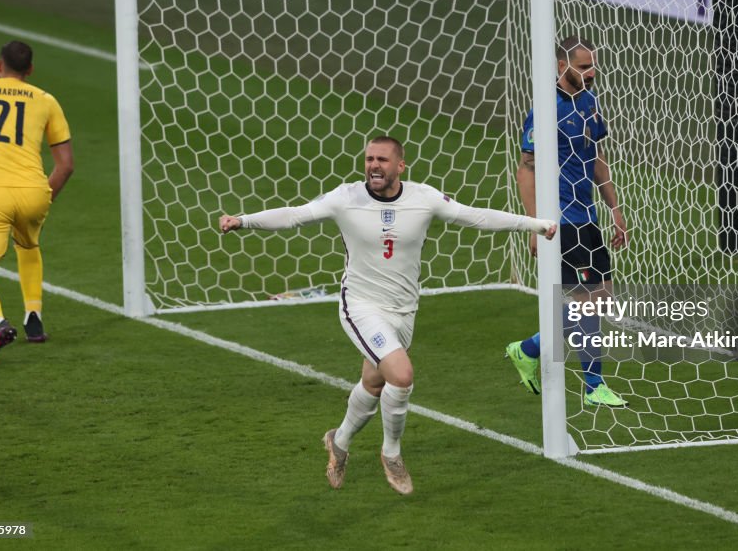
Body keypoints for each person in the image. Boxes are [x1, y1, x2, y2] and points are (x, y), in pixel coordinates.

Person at [218, 136, 556, 495]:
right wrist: (243, 221)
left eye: (381, 159)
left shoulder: (424, 198)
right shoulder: (346, 197)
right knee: (402, 374)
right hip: (361, 305)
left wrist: (533, 224)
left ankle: (340, 441)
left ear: (400, 166)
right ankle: (391, 453)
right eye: (368, 159)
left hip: (404, 309)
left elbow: (475, 217)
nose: (373, 165)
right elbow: (294, 215)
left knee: (375, 382)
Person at [505, 36, 630, 408]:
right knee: (587, 300)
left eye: (593, 65)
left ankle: (530, 349)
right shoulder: (544, 109)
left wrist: (615, 209)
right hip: (560, 218)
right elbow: (526, 168)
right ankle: (593, 386)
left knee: (600, 299)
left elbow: (596, 159)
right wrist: (534, 223)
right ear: (562, 66)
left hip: (587, 215)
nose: (591, 73)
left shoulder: (590, 103)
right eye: (583, 66)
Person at [0, 41, 75, 364]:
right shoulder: (46, 100)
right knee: (27, 243)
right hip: (33, 192)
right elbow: (65, 166)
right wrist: (43, 197)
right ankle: (33, 318)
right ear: (30, 70)